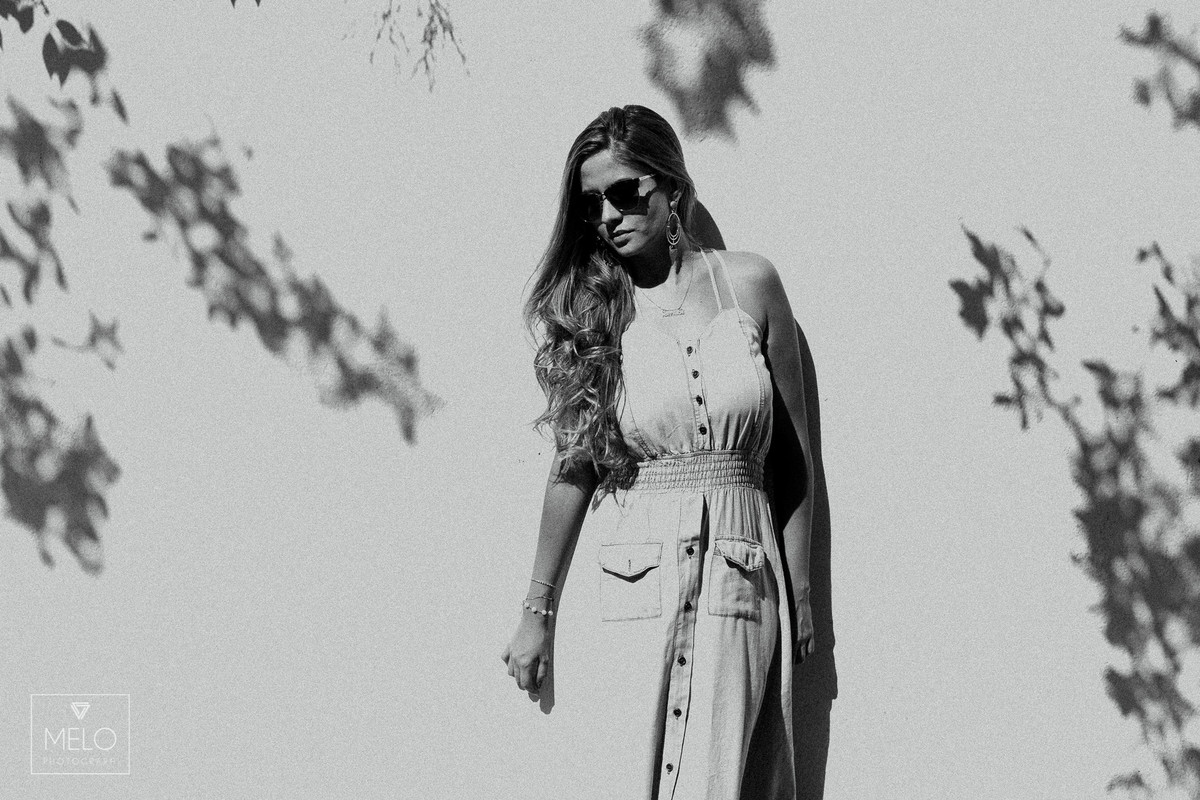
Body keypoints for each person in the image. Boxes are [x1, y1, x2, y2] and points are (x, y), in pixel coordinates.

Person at [501, 104, 816, 800]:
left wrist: (800, 588)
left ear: (670, 184)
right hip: (637, 585)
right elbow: (572, 467)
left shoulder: (753, 285)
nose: (609, 216)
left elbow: (795, 461)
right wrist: (537, 610)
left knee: (723, 776)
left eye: (624, 192)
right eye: (591, 205)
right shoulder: (596, 314)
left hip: (742, 573)